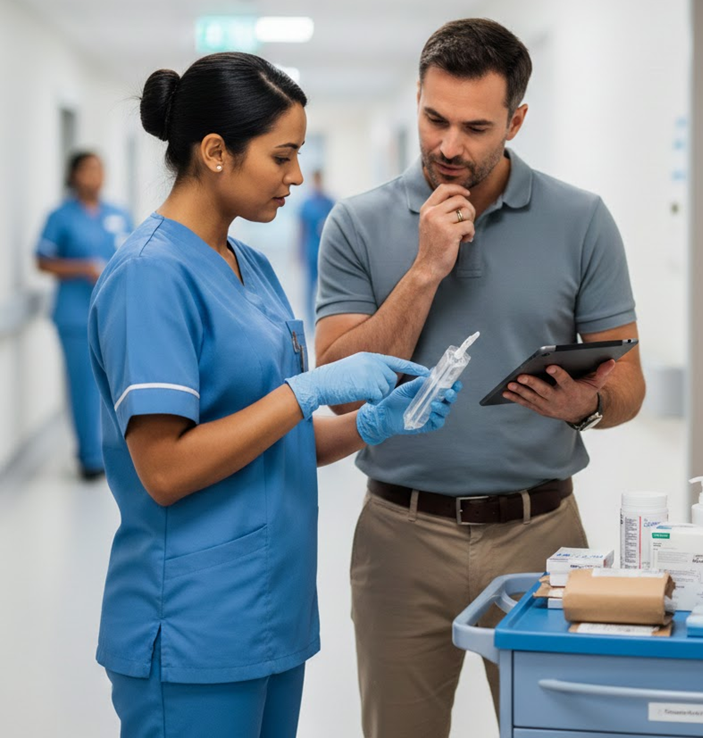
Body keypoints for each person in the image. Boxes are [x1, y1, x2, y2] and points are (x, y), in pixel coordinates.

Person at [87, 52, 461, 738]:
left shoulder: (248, 265)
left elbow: (272, 438)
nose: (295, 175)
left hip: (270, 612)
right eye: (281, 155)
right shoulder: (150, 277)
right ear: (214, 152)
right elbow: (165, 471)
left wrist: (372, 425)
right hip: (194, 625)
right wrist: (306, 388)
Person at [315, 18, 646, 738]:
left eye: (473, 126)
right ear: (416, 100)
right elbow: (338, 385)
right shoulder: (357, 222)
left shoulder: (581, 221)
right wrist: (425, 268)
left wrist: (583, 405)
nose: (447, 146)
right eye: (433, 118)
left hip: (542, 536)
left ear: (515, 121)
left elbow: (629, 388)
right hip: (400, 537)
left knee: (556, 729)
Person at [36, 152, 132, 480]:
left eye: (100, 168)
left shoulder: (118, 214)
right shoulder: (61, 217)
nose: (95, 175)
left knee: (115, 385)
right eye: (88, 169)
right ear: (74, 175)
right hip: (75, 315)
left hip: (113, 312)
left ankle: (117, 452)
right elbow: (43, 260)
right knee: (83, 387)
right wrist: (82, 267)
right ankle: (90, 458)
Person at [298, 169, 334, 330]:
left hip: (326, 253)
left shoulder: (329, 202)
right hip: (311, 252)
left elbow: (335, 227)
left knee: (327, 289)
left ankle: (325, 322)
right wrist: (299, 252)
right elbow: (301, 230)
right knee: (309, 289)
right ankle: (311, 325)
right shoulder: (306, 204)